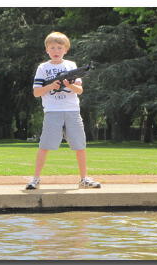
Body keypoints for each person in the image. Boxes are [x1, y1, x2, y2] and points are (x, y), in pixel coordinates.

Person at [26, 32, 101, 190]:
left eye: (59, 47)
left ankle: (83, 179)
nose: (56, 50)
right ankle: (35, 179)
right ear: (47, 50)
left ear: (65, 50)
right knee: (44, 146)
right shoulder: (43, 68)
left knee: (80, 146)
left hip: (72, 110)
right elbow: (36, 92)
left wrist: (68, 85)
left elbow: (79, 90)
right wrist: (50, 86)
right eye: (52, 47)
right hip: (52, 111)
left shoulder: (71, 66)